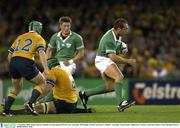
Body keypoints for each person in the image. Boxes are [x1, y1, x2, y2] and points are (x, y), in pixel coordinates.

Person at [79, 18, 136, 112]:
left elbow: (114, 49)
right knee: (119, 76)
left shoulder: (117, 35)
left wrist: (121, 47)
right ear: (119, 29)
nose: (127, 30)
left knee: (110, 87)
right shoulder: (109, 39)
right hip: (103, 60)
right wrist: (128, 61)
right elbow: (113, 57)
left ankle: (85, 94)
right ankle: (120, 104)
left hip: (104, 59)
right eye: (125, 28)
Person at [8, 58, 94, 114]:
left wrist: (32, 100)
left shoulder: (54, 71)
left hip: (63, 103)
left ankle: (12, 112)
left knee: (37, 108)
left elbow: (47, 88)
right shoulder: (65, 71)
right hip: (72, 103)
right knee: (45, 103)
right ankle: (84, 111)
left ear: (48, 66)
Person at [2, 21, 49, 116]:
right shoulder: (39, 38)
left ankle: (6, 110)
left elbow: (9, 55)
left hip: (13, 62)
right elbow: (41, 53)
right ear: (39, 28)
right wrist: (46, 68)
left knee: (17, 88)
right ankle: (30, 104)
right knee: (42, 83)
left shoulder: (20, 37)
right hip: (25, 62)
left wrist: (13, 66)